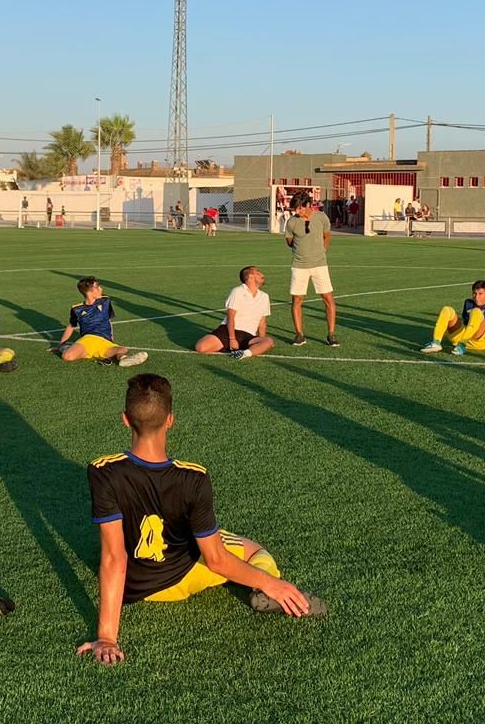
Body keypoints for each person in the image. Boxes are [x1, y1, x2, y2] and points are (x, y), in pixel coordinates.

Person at [78, 373, 324, 664]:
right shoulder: (193, 477)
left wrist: (107, 637)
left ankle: (259, 583)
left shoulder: (103, 470)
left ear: (125, 419)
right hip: (181, 576)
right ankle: (261, 586)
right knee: (250, 548)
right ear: (170, 420)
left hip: (134, 585)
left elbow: (113, 557)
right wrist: (272, 583)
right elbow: (216, 558)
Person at [53, 277, 149, 367]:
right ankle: (65, 348)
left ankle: (124, 359)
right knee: (67, 356)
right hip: (88, 340)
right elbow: (71, 326)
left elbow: (108, 320)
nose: (101, 289)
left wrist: (111, 340)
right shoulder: (77, 309)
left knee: (122, 349)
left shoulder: (105, 301)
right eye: (97, 287)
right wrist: (61, 344)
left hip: (105, 341)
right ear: (89, 292)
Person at [285, 191, 337, 347]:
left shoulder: (321, 217)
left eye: (299, 208)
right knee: (297, 299)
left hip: (320, 264)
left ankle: (331, 334)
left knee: (327, 298)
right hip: (299, 265)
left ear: (308, 205)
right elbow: (289, 241)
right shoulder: (291, 222)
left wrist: (323, 250)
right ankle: (299, 334)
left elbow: (327, 235)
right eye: (295, 209)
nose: (297, 212)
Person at [422, 279, 485, 356]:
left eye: (480, 294)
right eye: (474, 294)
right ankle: (436, 343)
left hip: (482, 342)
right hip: (463, 338)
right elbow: (465, 324)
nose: (476, 297)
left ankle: (462, 346)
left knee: (476, 312)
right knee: (447, 309)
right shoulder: (468, 303)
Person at [195, 266, 276, 360]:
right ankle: (228, 345)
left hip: (248, 336)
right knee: (201, 347)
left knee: (268, 341)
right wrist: (232, 339)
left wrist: (262, 342)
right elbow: (231, 316)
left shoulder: (264, 296)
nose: (262, 275)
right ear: (250, 277)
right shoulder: (237, 291)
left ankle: (244, 353)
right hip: (229, 331)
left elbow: (262, 323)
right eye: (258, 273)